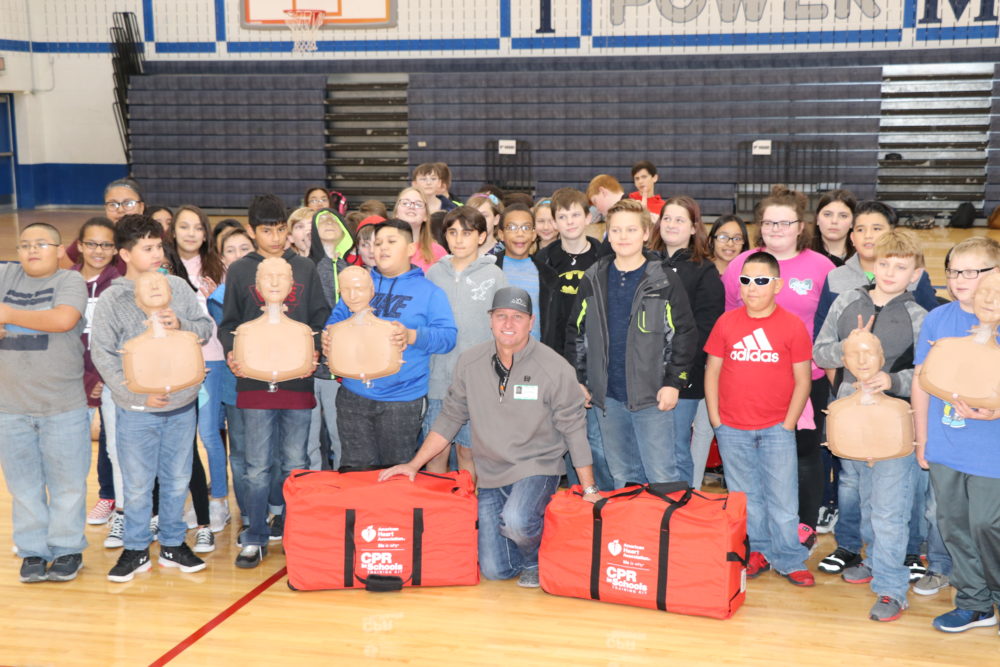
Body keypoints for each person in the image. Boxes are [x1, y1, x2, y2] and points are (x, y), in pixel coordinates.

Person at [378, 287, 602, 588]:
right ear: (490, 320)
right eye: (501, 316)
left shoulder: (554, 367)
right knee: (496, 569)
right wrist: (414, 465)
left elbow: (574, 429)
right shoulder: (470, 363)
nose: (509, 324)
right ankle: (526, 540)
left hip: (538, 466)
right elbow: (449, 418)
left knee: (518, 521)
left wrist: (589, 488)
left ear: (531, 322)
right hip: (491, 472)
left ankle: (537, 557)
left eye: (517, 317)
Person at [812, 200, 941, 575]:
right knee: (851, 485)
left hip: (897, 417)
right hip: (849, 412)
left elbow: (927, 372)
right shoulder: (848, 301)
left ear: (915, 273)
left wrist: (892, 380)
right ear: (872, 262)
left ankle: (905, 553)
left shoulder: (920, 316)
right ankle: (851, 547)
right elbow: (820, 354)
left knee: (899, 492)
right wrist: (846, 346)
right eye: (884, 263)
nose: (889, 272)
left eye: (900, 267)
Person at [91, 214, 214, 582]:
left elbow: (205, 330)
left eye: (159, 246)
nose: (158, 254)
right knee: (138, 482)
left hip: (181, 404)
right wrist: (135, 394)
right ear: (125, 254)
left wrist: (184, 325)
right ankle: (136, 548)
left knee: (177, 478)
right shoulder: (113, 297)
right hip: (136, 409)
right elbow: (102, 353)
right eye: (147, 248)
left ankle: (174, 543)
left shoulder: (176, 285)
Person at [721, 185, 836, 548]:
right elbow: (728, 317)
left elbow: (831, 323)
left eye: (784, 222)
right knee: (749, 456)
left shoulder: (821, 267)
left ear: (800, 226)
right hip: (751, 376)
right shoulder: (741, 264)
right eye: (769, 222)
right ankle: (755, 531)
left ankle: (802, 526)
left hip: (806, 378)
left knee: (803, 453)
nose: (776, 229)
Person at [219, 194, 330, 569]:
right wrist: (233, 355)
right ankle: (253, 533)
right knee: (255, 464)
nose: (276, 237)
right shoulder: (238, 272)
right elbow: (229, 325)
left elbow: (319, 318)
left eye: (281, 229)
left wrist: (313, 353)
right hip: (253, 384)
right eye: (267, 230)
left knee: (295, 459)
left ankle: (291, 522)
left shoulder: (305, 268)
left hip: (297, 382)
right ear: (252, 231)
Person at [568, 198, 697, 488]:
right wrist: (579, 379)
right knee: (624, 478)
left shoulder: (663, 279)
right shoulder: (593, 277)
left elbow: (684, 334)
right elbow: (575, 332)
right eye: (616, 230)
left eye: (630, 230)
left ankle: (660, 534)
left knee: (661, 477)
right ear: (608, 234)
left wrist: (673, 382)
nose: (623, 237)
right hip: (609, 399)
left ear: (645, 233)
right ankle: (629, 535)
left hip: (652, 398)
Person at [705, 251, 815, 587]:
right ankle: (759, 552)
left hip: (775, 428)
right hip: (732, 428)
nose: (752, 288)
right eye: (746, 280)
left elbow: (803, 380)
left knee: (783, 499)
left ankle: (789, 558)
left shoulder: (792, 325)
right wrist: (716, 419)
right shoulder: (726, 323)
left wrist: (788, 423)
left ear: (778, 285)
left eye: (761, 281)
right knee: (746, 496)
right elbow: (712, 372)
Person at [912, 237, 1000, 634]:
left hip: (991, 451)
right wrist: (921, 438)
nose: (960, 279)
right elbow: (920, 380)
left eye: (972, 270)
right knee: (954, 526)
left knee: (987, 524)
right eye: (953, 271)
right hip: (946, 444)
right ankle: (975, 603)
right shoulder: (938, 319)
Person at [325, 219, 456, 471]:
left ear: (410, 249)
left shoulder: (430, 292)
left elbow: (447, 337)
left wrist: (411, 335)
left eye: (391, 242)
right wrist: (329, 335)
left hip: (402, 399)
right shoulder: (360, 284)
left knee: (395, 472)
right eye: (377, 243)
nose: (382, 248)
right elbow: (336, 320)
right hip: (353, 395)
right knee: (354, 471)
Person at [0, 223, 90, 583]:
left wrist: (7, 315)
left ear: (58, 249)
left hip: (62, 405)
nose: (31, 250)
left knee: (68, 484)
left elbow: (62, 318)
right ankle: (33, 551)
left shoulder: (70, 282)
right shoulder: (5, 274)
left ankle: (67, 549)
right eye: (24, 244)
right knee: (23, 486)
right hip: (9, 406)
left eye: (40, 243)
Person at [535, 187, 612, 490]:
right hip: (554, 356)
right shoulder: (543, 259)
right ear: (553, 221)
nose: (569, 222)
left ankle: (601, 496)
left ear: (589, 217)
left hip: (595, 357)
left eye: (575, 215)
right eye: (562, 216)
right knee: (562, 431)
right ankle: (570, 495)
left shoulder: (603, 256)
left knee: (596, 437)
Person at [648, 196, 725, 487]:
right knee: (648, 446)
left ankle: (680, 511)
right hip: (643, 373)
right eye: (667, 218)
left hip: (683, 375)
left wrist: (675, 368)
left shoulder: (704, 271)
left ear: (694, 228)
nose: (671, 224)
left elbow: (706, 328)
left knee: (676, 446)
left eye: (680, 219)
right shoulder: (644, 262)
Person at [424, 207, 506, 478]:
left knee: (468, 452)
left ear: (482, 236)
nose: (459, 239)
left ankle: (472, 516)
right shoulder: (434, 274)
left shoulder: (494, 275)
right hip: (437, 379)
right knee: (436, 452)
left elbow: (505, 329)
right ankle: (439, 516)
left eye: (467, 233)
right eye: (452, 232)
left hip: (477, 382)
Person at [72, 219, 122, 531]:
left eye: (105, 245)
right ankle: (68, 504)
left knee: (110, 441)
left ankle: (110, 496)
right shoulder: (66, 282)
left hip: (106, 377)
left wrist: (102, 378)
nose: (98, 250)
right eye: (91, 244)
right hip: (70, 377)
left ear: (116, 249)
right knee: (69, 444)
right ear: (79, 246)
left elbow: (118, 338)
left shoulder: (118, 283)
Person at [209, 226, 255, 535]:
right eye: (230, 250)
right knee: (240, 451)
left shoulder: (277, 286)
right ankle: (249, 512)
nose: (238, 255)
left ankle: (274, 508)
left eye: (244, 248)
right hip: (235, 381)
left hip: (274, 382)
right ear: (222, 259)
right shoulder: (219, 295)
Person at [308, 208, 355, 471]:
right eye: (321, 220)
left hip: (341, 371)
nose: (327, 223)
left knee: (341, 437)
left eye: (333, 220)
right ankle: (313, 494)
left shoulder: (353, 271)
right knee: (309, 440)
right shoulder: (305, 268)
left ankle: (340, 492)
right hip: (310, 367)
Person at [494, 204, 560, 349]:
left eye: (526, 228)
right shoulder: (488, 269)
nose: (520, 234)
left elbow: (554, 326)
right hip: (493, 355)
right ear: (501, 234)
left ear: (534, 234)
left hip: (535, 358)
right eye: (512, 228)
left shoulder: (548, 275)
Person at [393, 187, 447, 271]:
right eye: (405, 203)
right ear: (396, 212)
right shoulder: (384, 247)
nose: (411, 207)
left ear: (426, 216)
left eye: (418, 204)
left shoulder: (438, 252)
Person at [811, 189, 857, 266]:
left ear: (852, 222)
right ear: (817, 219)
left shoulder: (862, 258)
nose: (834, 221)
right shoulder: (803, 256)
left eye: (843, 216)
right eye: (827, 214)